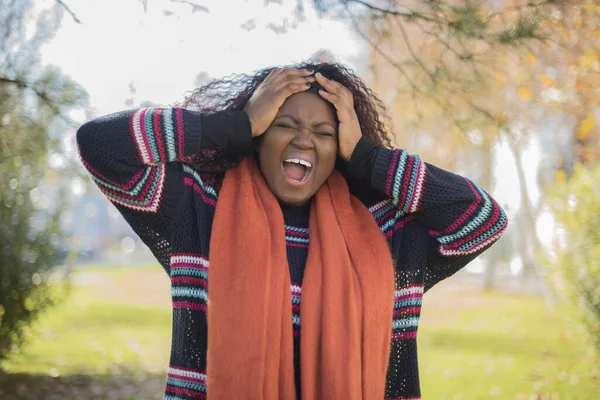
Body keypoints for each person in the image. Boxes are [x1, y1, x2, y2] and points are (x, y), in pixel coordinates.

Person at [76, 62, 507, 400]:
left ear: (339, 149)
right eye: (285, 125)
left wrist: (369, 159)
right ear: (260, 137)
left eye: (324, 132)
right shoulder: (197, 207)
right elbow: (101, 146)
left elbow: (483, 219)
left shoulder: (386, 232)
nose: (304, 141)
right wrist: (235, 125)